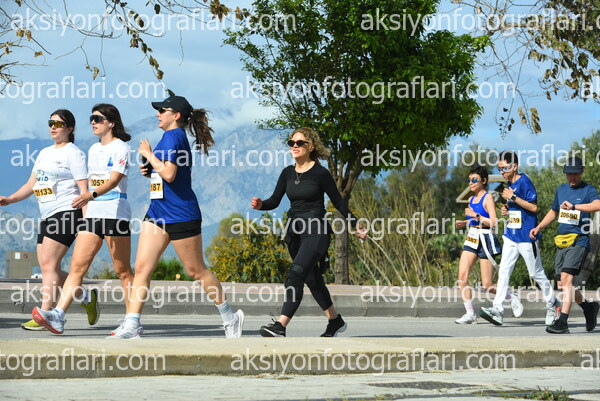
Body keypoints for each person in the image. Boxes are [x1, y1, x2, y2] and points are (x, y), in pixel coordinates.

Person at [110, 95, 243, 339]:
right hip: (158, 213)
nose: (158, 113)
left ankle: (229, 316)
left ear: (176, 115)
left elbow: (170, 174)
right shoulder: (168, 137)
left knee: (196, 271)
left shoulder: (174, 136)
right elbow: (168, 174)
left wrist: (148, 154)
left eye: (163, 110)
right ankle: (132, 324)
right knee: (142, 268)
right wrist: (150, 170)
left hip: (181, 213)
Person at [251, 127, 366, 337]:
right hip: (294, 233)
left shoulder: (320, 173)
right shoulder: (287, 173)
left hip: (316, 230)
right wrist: (261, 205)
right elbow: (274, 201)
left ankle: (280, 326)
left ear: (310, 146)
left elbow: (338, 201)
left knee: (295, 274)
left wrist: (355, 224)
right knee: (312, 280)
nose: (294, 146)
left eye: (299, 142)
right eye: (291, 143)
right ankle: (335, 321)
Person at [32, 104, 134, 334]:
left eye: (98, 118)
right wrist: (88, 205)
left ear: (111, 123)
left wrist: (90, 195)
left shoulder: (122, 147)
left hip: (115, 213)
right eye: (91, 118)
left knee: (122, 270)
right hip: (93, 214)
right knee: (77, 267)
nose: (93, 122)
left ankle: (131, 319)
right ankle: (58, 315)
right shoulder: (94, 149)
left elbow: (114, 180)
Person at [0, 109, 98, 330]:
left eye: (59, 124)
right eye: (50, 123)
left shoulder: (74, 153)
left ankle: (44, 314)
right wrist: (11, 199)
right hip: (47, 215)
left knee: (48, 264)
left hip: (67, 212)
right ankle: (85, 296)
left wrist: (87, 224)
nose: (53, 127)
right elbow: (32, 184)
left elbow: (84, 191)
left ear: (70, 128)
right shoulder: (44, 153)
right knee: (48, 267)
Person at [480, 151, 560, 326]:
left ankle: (553, 303)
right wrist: (508, 209)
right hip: (511, 235)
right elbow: (517, 208)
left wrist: (513, 198)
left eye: (504, 168)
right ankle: (498, 309)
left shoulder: (525, 182)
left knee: (535, 273)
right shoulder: (509, 183)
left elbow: (534, 207)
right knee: (504, 271)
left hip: (526, 236)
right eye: (499, 168)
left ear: (514, 166)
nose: (501, 172)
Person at [530, 156, 600, 334]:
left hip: (579, 240)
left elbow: (597, 205)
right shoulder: (561, 189)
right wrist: (539, 227)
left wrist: (575, 207)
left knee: (567, 279)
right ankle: (589, 308)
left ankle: (562, 322)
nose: (571, 177)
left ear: (581, 171)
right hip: (561, 241)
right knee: (563, 283)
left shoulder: (588, 190)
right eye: (568, 174)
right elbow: (554, 212)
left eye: (575, 173)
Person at [454, 165, 515, 324]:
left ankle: (510, 296)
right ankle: (470, 314)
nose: (471, 183)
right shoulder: (471, 199)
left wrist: (475, 215)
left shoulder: (487, 198)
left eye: (474, 180)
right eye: (469, 180)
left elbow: (493, 222)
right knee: (462, 277)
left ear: (484, 181)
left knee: (487, 284)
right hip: (472, 238)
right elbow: (475, 220)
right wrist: (465, 222)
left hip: (485, 240)